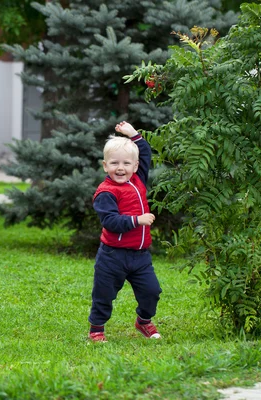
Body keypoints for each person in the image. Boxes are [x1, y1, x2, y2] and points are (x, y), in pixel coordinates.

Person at [88, 121, 162, 342]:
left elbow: (145, 153)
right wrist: (137, 220)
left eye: (126, 163)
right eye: (114, 163)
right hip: (113, 255)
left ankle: (144, 321)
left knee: (152, 291)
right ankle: (97, 329)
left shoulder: (138, 180)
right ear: (105, 166)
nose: (120, 168)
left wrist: (133, 134)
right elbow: (111, 221)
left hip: (140, 255)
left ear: (135, 166)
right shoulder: (106, 192)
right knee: (104, 294)